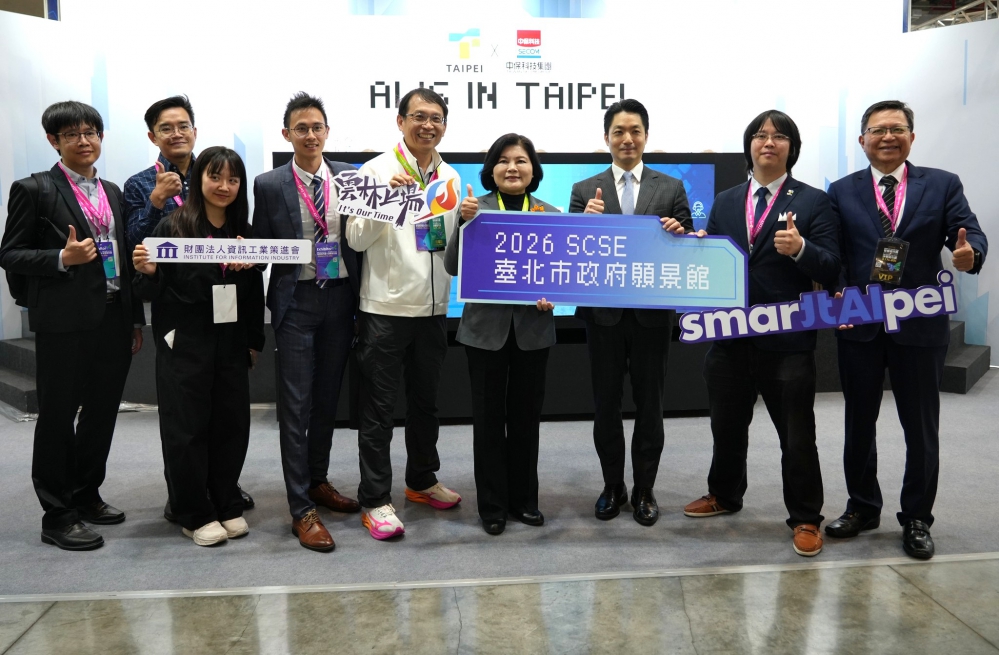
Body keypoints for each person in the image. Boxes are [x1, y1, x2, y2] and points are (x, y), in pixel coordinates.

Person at [826, 100, 987, 560]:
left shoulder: (942, 184)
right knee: (859, 423)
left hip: (919, 324)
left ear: (912, 137)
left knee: (921, 426)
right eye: (878, 130)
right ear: (862, 140)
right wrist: (837, 290)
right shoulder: (841, 190)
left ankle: (917, 517)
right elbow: (834, 252)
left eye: (897, 129)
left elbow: (969, 233)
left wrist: (969, 254)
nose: (888, 137)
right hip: (860, 323)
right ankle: (862, 507)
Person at [681, 110, 840, 557]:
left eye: (779, 135)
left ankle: (806, 517)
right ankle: (725, 494)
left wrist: (802, 249)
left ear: (792, 147)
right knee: (726, 427)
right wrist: (698, 247)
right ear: (749, 144)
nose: (768, 141)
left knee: (796, 434)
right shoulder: (726, 200)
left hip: (787, 341)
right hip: (730, 336)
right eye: (760, 134)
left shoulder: (813, 201)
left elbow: (833, 267)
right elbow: (717, 261)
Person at [0, 101, 145, 550]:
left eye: (90, 132)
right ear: (53, 141)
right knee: (58, 418)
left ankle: (86, 494)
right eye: (71, 134)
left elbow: (123, 257)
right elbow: (10, 253)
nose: (84, 141)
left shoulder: (113, 191)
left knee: (101, 414)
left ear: (100, 137)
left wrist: (134, 318)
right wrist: (61, 257)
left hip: (114, 317)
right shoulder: (34, 189)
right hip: (64, 323)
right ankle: (57, 514)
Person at [123, 95, 255, 520]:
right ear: (198, 181)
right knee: (187, 425)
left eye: (232, 180)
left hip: (229, 339)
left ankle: (225, 498)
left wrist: (253, 339)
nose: (224, 186)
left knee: (231, 423)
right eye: (215, 178)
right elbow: (148, 283)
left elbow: (253, 289)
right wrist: (149, 269)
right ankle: (192, 510)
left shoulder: (242, 230)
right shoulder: (170, 224)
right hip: (185, 339)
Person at [568, 99, 692, 526]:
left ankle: (644, 489)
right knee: (606, 406)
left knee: (650, 406)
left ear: (645, 136)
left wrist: (680, 232)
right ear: (606, 137)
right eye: (618, 131)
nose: (627, 139)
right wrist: (583, 224)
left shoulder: (670, 188)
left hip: (652, 317)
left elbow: (685, 248)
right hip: (602, 317)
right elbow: (571, 253)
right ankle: (612, 486)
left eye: (635, 131)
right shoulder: (585, 189)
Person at [345, 87, 462, 540]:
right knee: (378, 410)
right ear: (400, 121)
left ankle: (421, 480)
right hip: (385, 310)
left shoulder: (449, 176)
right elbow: (355, 240)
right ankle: (375, 499)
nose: (427, 125)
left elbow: (445, 244)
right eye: (419, 116)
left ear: (444, 126)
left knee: (426, 404)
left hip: (434, 310)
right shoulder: (374, 171)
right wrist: (385, 202)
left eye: (436, 118)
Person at [252, 92, 361, 552]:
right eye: (301, 128)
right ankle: (301, 509)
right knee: (295, 408)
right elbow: (260, 244)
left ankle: (317, 481)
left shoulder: (351, 178)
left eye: (317, 127)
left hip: (340, 298)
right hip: (295, 302)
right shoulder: (268, 184)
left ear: (327, 131)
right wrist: (240, 255)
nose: (310, 135)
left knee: (326, 400)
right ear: (287, 134)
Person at [443, 133, 558, 536]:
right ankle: (491, 505)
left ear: (533, 170)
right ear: (491, 170)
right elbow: (452, 266)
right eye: (504, 160)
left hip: (533, 331)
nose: (512, 167)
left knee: (526, 420)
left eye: (521, 160)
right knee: (488, 421)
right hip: (484, 333)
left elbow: (560, 276)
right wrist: (462, 222)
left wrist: (552, 295)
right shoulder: (474, 209)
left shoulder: (549, 213)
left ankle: (524, 501)